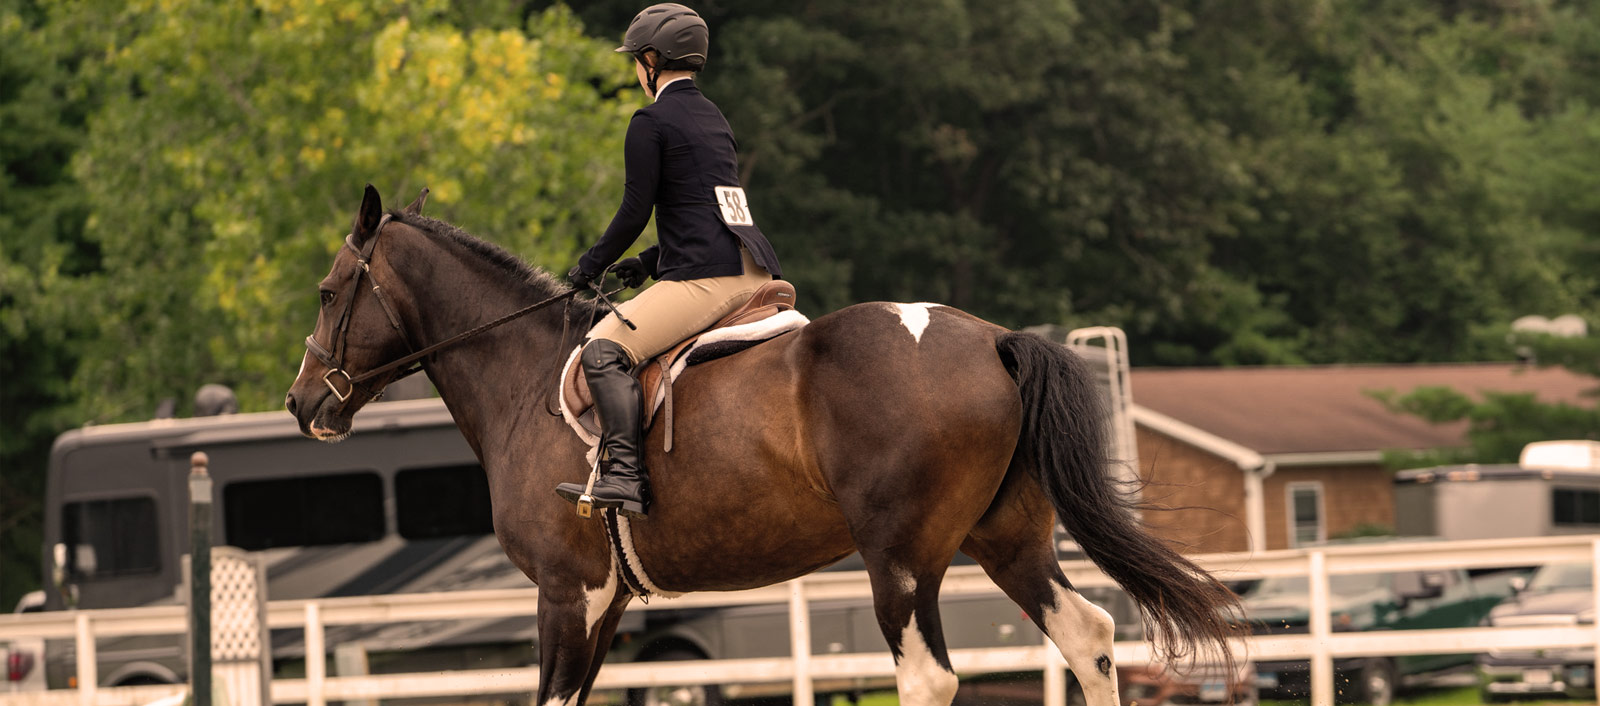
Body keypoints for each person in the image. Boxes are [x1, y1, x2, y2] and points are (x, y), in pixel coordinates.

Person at [554, 3, 782, 520]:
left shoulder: (650, 120)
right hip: (754, 269)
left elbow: (635, 209)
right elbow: (712, 207)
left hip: (710, 280)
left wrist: (589, 266)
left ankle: (626, 477)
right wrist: (650, 261)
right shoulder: (714, 117)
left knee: (604, 348)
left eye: (637, 59)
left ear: (652, 60)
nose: (636, 69)